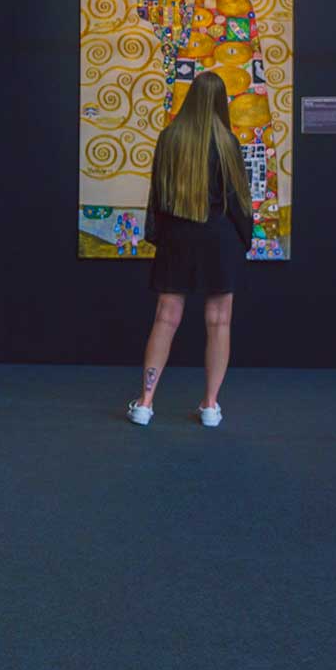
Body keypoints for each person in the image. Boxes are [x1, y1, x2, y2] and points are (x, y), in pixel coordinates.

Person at [128, 69, 254, 428]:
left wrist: (161, 237)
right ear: (220, 101)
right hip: (219, 239)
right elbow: (239, 201)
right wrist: (244, 239)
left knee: (165, 317)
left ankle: (145, 403)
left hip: (177, 237)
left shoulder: (169, 138)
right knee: (219, 320)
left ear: (191, 98)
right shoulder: (228, 142)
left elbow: (159, 196)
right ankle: (210, 406)